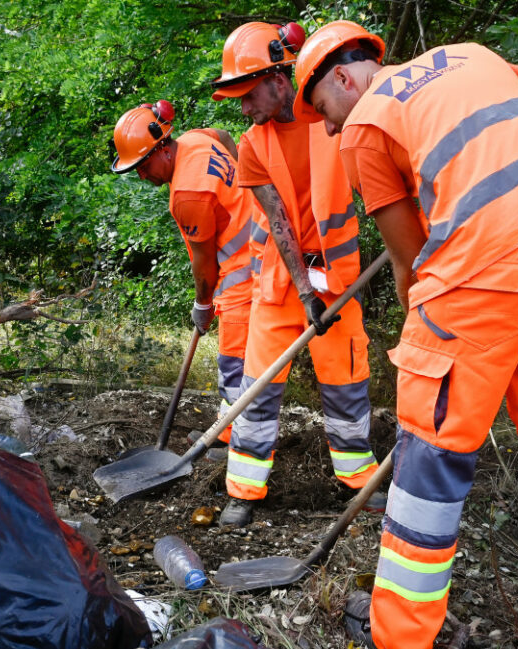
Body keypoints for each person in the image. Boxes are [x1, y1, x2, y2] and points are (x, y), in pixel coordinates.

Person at [293, 21, 518, 649]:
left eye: (322, 111)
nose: (330, 127)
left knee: (431, 463)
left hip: (481, 275)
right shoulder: (470, 56)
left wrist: (424, 341)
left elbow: (411, 267)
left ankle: (399, 638)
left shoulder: (365, 127)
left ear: (343, 77)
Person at [210, 22, 385, 527]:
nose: (243, 108)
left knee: (347, 385)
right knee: (257, 389)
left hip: (342, 281)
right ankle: (244, 490)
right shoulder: (251, 146)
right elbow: (279, 223)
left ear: (280, 80)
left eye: (247, 94)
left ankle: (360, 482)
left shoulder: (340, 117)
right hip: (281, 284)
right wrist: (305, 290)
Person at [111, 101, 255, 456]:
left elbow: (204, 263)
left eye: (143, 167)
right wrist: (242, 185)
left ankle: (242, 443)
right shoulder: (196, 139)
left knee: (236, 365)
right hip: (255, 251)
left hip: (247, 275)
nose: (143, 177)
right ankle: (227, 430)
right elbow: (224, 136)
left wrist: (202, 305)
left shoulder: (187, 195)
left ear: (162, 148)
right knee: (235, 362)